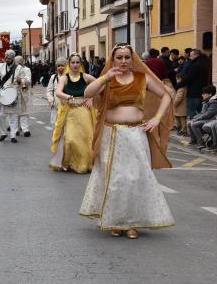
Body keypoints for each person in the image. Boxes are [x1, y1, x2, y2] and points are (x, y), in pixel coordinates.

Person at [79, 43, 175, 239]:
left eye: (126, 57)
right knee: (115, 180)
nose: (123, 61)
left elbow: (166, 95)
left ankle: (132, 223)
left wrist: (156, 118)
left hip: (135, 135)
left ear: (133, 59)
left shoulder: (143, 78)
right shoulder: (107, 79)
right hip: (111, 134)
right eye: (119, 57)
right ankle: (116, 221)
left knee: (135, 179)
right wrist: (106, 77)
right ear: (113, 60)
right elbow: (88, 93)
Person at [49, 53, 97, 173]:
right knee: (70, 139)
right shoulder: (65, 78)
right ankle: (70, 162)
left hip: (84, 111)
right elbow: (58, 92)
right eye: (73, 62)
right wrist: (69, 97)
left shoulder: (86, 77)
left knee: (86, 138)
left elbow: (100, 85)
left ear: (80, 64)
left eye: (77, 62)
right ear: (69, 64)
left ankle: (85, 163)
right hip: (70, 112)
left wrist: (91, 98)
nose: (75, 65)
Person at [0, 50, 27, 143]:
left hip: (14, 93)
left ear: (13, 58)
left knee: (13, 115)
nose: (7, 59)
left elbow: (25, 80)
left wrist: (20, 81)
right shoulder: (1, 67)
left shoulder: (19, 68)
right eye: (6, 58)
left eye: (9, 58)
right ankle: (3, 133)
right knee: (1, 115)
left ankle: (13, 135)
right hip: (3, 94)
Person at [46, 58, 67, 127]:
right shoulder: (53, 77)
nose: (60, 67)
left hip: (67, 107)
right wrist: (50, 100)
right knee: (55, 128)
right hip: (55, 106)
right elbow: (49, 91)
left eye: (62, 65)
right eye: (58, 66)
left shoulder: (69, 77)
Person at [16, 57, 33, 137]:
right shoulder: (13, 70)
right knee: (15, 111)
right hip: (15, 92)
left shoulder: (27, 70)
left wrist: (21, 80)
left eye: (19, 62)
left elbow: (29, 81)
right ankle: (16, 128)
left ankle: (25, 129)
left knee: (24, 111)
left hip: (24, 90)